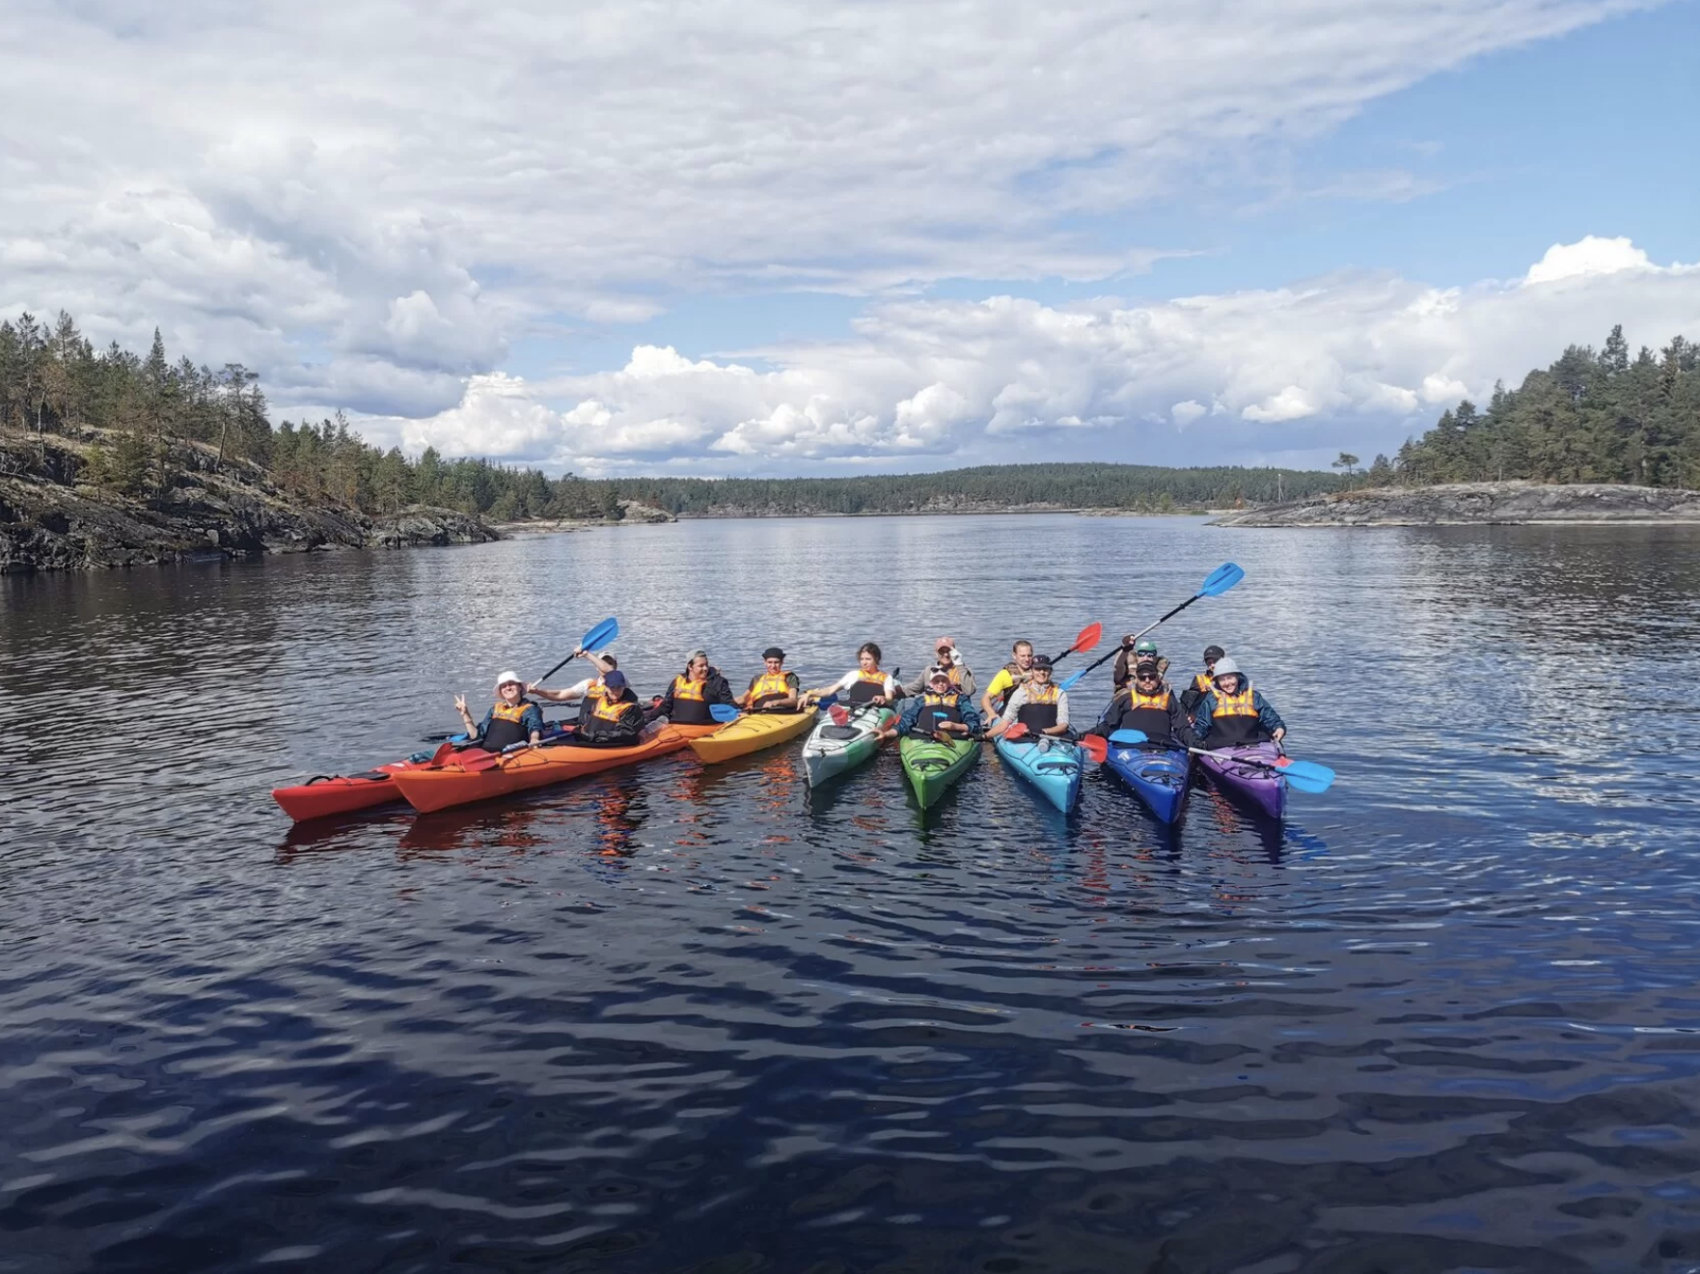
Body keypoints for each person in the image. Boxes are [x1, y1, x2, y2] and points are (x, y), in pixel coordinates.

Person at [1089, 657, 1196, 747]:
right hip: (1129, 748)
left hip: (1162, 748)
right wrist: (1088, 734)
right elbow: (1108, 727)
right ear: (1137, 679)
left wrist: (1196, 743)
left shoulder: (1169, 701)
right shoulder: (1125, 699)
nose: (1147, 680)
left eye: (1151, 676)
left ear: (1158, 678)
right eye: (1142, 677)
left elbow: (1182, 729)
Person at [1192, 657, 1286, 749]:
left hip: (1253, 745)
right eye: (1222, 679)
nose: (1227, 683)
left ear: (1237, 677)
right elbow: (1202, 725)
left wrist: (1278, 727)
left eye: (1230, 678)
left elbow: (1269, 717)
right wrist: (1194, 739)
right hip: (1221, 747)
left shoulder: (1254, 696)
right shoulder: (1211, 700)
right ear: (1217, 681)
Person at [882, 664, 983, 741]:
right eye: (936, 681)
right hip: (923, 739)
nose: (940, 684)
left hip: (954, 739)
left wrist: (955, 726)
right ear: (931, 684)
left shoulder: (960, 699)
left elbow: (974, 723)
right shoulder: (922, 701)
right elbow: (905, 722)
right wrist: (886, 734)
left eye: (944, 680)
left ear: (949, 683)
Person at [454, 671, 544, 752]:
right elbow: (477, 737)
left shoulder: (530, 709)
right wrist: (465, 714)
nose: (508, 688)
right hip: (486, 754)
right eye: (504, 686)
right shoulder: (494, 709)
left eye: (511, 684)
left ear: (520, 687)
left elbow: (535, 727)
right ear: (501, 691)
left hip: (511, 755)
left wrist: (534, 739)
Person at [646, 649, 737, 725]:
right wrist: (645, 718)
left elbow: (729, 706)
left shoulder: (718, 682)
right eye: (701, 666)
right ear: (690, 666)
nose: (705, 668)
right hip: (676, 727)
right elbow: (666, 706)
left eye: (706, 665)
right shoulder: (677, 682)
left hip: (706, 727)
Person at [992, 654, 1070, 738]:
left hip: (1052, 737)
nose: (1042, 672)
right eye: (1037, 669)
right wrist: (984, 736)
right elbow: (1003, 724)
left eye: (1045, 669)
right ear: (1031, 671)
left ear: (1050, 671)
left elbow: (1063, 726)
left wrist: (1043, 732)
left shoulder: (1060, 693)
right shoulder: (1021, 692)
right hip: (1025, 738)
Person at [802, 642, 898, 707]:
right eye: (862, 659)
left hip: (875, 710)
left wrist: (883, 698)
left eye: (868, 659)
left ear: (876, 659)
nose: (864, 663)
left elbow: (889, 699)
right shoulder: (853, 675)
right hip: (853, 707)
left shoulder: (886, 678)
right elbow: (830, 690)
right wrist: (810, 694)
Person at [574, 669, 647, 748]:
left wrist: (597, 735)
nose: (615, 692)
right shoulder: (599, 700)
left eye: (619, 688)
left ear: (623, 688)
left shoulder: (631, 708)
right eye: (612, 688)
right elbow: (588, 718)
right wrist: (583, 730)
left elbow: (627, 733)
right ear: (606, 687)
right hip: (593, 739)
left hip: (615, 744)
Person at [529, 651, 619, 707]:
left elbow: (609, 671)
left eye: (610, 663)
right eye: (602, 663)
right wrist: (537, 691)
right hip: (590, 727)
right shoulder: (589, 684)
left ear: (615, 666)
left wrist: (586, 654)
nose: (605, 666)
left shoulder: (622, 684)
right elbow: (559, 695)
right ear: (596, 666)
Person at [980, 639, 1036, 721]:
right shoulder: (1005, 674)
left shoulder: (1038, 673)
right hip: (1010, 714)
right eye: (1023, 656)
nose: (1027, 659)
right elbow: (985, 698)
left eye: (1029, 655)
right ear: (1014, 655)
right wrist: (992, 714)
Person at [903, 637, 976, 698]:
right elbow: (913, 689)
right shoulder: (929, 671)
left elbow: (969, 691)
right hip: (933, 710)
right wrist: (893, 690)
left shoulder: (964, 671)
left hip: (956, 711)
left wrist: (959, 665)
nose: (946, 654)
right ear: (936, 653)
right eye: (941, 651)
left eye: (949, 651)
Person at [741, 647, 802, 713]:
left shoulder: (789, 677)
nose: (773, 666)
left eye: (776, 662)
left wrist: (775, 702)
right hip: (758, 711)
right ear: (765, 662)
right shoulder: (757, 678)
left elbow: (793, 700)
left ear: (782, 662)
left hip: (781, 710)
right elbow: (743, 698)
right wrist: (731, 703)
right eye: (769, 662)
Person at [1179, 645, 1226, 719]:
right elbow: (1188, 703)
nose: (1212, 665)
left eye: (1215, 662)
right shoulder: (1199, 679)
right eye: (1209, 663)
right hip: (1204, 716)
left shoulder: (1232, 679)